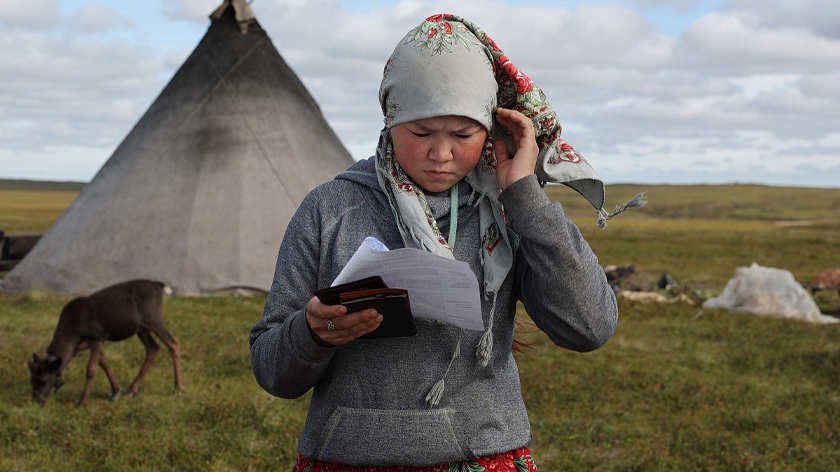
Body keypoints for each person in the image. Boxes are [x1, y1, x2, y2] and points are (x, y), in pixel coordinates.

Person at [250, 14, 628, 471]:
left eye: (464, 135)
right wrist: (311, 333)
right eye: (422, 133)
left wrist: (526, 196)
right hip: (346, 458)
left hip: (483, 458)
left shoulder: (508, 210)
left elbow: (590, 327)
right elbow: (272, 370)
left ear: (490, 129)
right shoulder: (329, 209)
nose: (441, 153)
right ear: (390, 120)